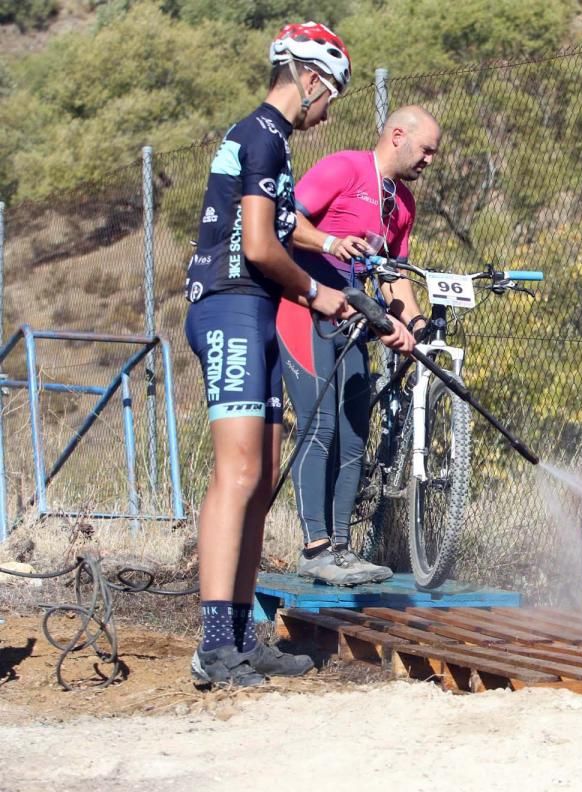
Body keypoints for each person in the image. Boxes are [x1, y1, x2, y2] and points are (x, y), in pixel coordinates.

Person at [183, 21, 358, 688]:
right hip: (229, 305)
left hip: (253, 309)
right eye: (330, 95)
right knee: (238, 474)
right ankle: (213, 646)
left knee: (262, 475)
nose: (328, 109)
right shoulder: (261, 135)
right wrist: (316, 292)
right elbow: (257, 245)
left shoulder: (271, 142)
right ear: (309, 78)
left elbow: (280, 223)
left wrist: (329, 246)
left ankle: (240, 633)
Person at [277, 105, 440, 586]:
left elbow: (393, 279)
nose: (430, 159)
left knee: (353, 434)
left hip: (352, 321)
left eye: (434, 152)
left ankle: (342, 550)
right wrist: (329, 243)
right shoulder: (345, 168)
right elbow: (285, 221)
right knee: (319, 427)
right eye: (425, 149)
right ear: (397, 136)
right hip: (302, 309)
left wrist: (413, 324)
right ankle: (315, 548)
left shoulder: (404, 203)